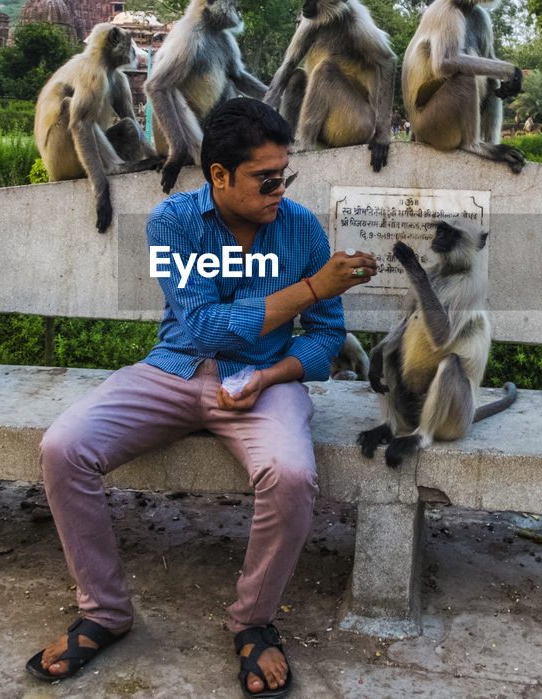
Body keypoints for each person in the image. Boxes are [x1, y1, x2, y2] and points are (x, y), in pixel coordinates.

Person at [26, 97, 378, 697]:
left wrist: (269, 377)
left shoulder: (304, 229)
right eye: (266, 180)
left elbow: (325, 337)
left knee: (291, 474)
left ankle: (252, 621)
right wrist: (312, 287)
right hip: (174, 371)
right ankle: (105, 611)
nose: (280, 191)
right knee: (63, 446)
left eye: (285, 176)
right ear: (218, 175)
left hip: (266, 381)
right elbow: (204, 328)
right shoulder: (171, 223)